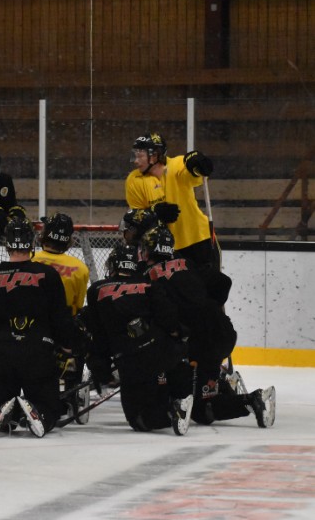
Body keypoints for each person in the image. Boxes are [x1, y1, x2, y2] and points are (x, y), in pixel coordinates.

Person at [0, 217, 78, 438]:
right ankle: (40, 413)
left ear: (6, 244)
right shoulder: (48, 274)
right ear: (32, 243)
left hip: (2, 352)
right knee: (50, 407)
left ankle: (5, 412)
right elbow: (61, 319)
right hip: (38, 351)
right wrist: (69, 348)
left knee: (0, 398)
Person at [140, 226, 275, 429]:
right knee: (195, 391)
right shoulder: (186, 262)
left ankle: (254, 399)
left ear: (150, 250)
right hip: (220, 329)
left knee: (202, 410)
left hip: (201, 341)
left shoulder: (148, 276)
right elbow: (223, 282)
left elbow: (161, 313)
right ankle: (224, 385)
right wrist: (208, 306)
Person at [81, 244, 194, 435]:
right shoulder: (150, 284)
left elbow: (98, 335)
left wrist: (102, 371)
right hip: (160, 352)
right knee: (176, 356)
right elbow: (169, 319)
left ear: (114, 264)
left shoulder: (97, 289)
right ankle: (176, 399)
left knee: (139, 420)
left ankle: (171, 409)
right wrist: (178, 334)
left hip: (129, 360)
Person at [125, 132, 217, 268]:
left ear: (155, 155)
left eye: (140, 156)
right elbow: (136, 217)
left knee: (211, 286)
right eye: (135, 156)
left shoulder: (177, 164)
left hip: (199, 239)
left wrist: (197, 166)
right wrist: (153, 213)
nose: (136, 161)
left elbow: (193, 177)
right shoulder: (133, 180)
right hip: (163, 247)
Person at [31, 213, 91, 417]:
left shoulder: (30, 260)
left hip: (31, 330)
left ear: (44, 235)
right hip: (62, 332)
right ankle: (71, 394)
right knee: (81, 336)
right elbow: (76, 306)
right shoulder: (80, 268)